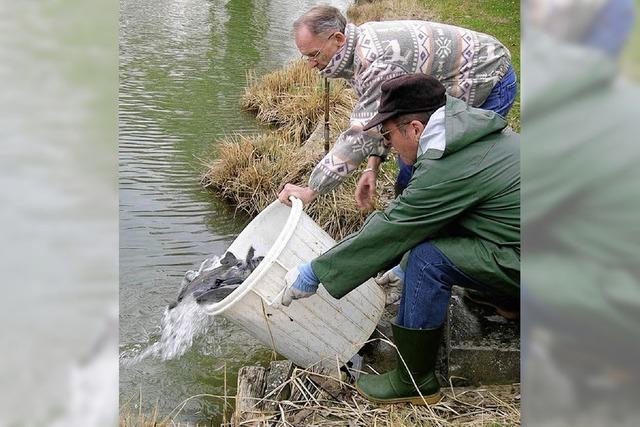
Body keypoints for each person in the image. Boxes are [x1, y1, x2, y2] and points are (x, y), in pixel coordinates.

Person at [280, 74, 520, 404]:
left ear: (416, 129)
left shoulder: (447, 165)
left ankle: (414, 381)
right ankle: (508, 301)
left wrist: (315, 272)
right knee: (438, 242)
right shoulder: (466, 130)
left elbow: (397, 226)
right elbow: (436, 217)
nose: (388, 146)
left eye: (390, 135)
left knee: (428, 259)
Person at [278, 5, 517, 209]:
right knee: (412, 159)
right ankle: (407, 216)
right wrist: (372, 167)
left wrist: (312, 189)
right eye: (306, 57)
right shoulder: (354, 48)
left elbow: (360, 135)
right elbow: (384, 114)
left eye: (313, 55)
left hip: (488, 73)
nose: (310, 64)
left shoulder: (373, 62)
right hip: (460, 73)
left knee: (453, 166)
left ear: (338, 39)